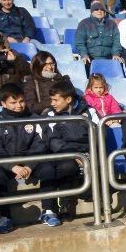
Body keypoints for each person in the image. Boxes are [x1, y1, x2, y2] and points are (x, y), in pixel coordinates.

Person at [0, 83, 60, 234]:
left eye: (21, 101)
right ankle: (5, 217)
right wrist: (13, 166)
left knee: (48, 169)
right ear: (3, 103)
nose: (18, 106)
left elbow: (40, 144)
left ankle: (49, 210)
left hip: (30, 161)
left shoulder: (35, 119)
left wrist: (28, 166)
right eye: (13, 102)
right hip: (7, 163)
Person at [45, 80, 96, 218]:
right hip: (65, 153)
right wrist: (74, 155)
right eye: (51, 100)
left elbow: (98, 135)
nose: (52, 103)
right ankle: (64, 203)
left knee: (100, 163)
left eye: (56, 100)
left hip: (87, 151)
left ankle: (98, 198)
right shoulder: (50, 115)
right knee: (66, 166)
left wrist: (87, 154)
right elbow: (53, 140)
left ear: (68, 99)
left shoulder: (89, 112)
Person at [75, 2, 122, 67]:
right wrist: (84, 55)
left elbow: (117, 41)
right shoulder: (84, 24)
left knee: (119, 63)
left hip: (109, 58)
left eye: (102, 10)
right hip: (90, 59)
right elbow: (80, 43)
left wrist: (116, 54)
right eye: (96, 9)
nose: (99, 11)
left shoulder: (112, 24)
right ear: (91, 12)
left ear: (105, 12)